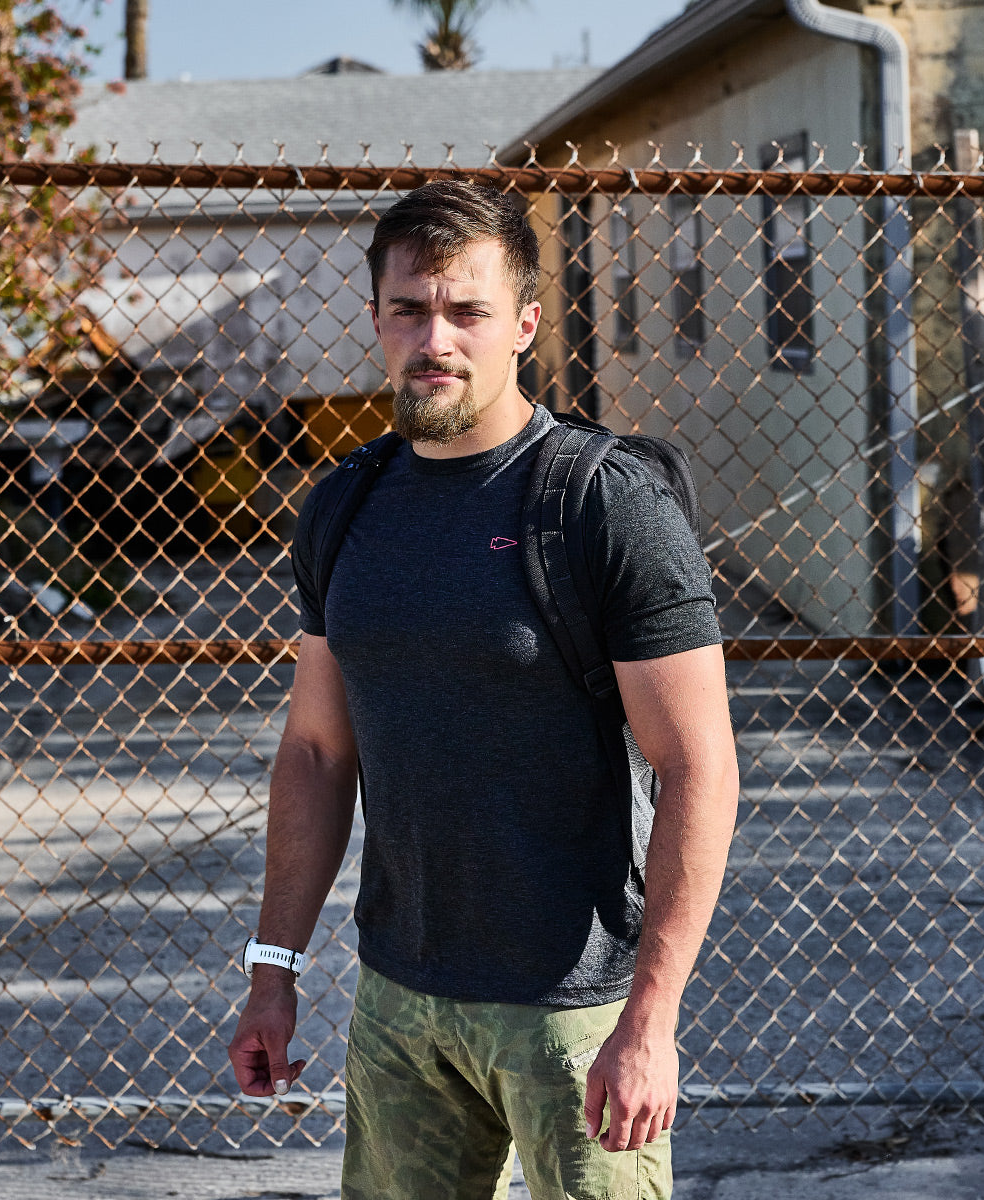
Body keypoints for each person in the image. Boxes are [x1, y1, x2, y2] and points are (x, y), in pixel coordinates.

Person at [228, 180, 739, 1200]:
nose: (437, 339)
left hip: (572, 1014)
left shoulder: (602, 503)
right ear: (377, 319)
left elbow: (700, 768)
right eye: (410, 309)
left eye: (467, 311)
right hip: (400, 1005)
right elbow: (319, 752)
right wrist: (272, 970)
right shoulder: (346, 507)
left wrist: (651, 1021)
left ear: (524, 326)